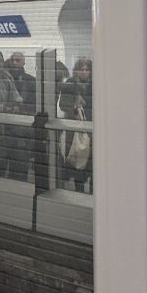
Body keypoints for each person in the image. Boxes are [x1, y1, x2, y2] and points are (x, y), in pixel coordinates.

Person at [59, 57, 93, 192]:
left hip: (91, 128)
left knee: (91, 162)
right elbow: (63, 104)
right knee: (77, 159)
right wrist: (74, 109)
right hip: (74, 130)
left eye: (87, 69)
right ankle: (79, 191)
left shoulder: (95, 84)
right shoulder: (69, 84)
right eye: (81, 69)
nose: (84, 72)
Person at [3, 51, 37, 179]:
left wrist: (22, 109)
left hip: (23, 127)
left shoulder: (31, 81)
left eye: (18, 60)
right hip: (7, 125)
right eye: (13, 60)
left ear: (24, 62)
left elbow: (35, 104)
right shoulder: (6, 79)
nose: (15, 63)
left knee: (22, 162)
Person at [0, 49, 21, 178]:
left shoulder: (7, 76)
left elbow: (16, 95)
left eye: (0, 61)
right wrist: (2, 108)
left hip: (7, 125)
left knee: (3, 160)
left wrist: (17, 104)